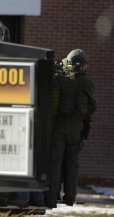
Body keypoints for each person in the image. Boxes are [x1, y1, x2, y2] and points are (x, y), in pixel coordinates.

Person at [47, 49, 96, 208]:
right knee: (72, 163)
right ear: (77, 63)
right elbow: (92, 106)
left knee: (55, 163)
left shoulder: (59, 77)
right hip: (75, 128)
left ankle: (51, 197)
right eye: (83, 65)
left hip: (58, 127)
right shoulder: (85, 81)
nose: (85, 68)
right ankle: (69, 197)